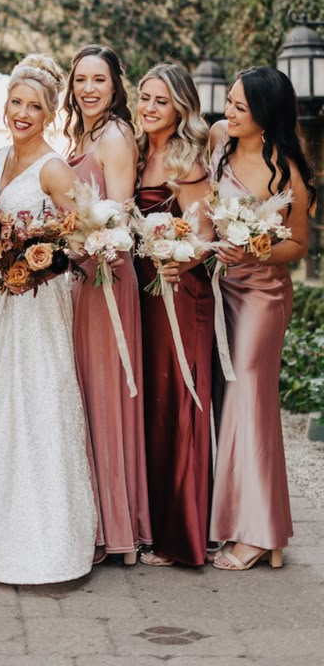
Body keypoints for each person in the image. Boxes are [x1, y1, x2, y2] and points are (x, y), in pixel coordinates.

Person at [0, 54, 97, 584]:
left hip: (40, 301)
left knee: (41, 401)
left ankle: (53, 545)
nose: (22, 112)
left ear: (49, 114)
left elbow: (82, 237)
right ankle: (0, 541)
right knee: (4, 403)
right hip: (3, 300)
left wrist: (34, 256)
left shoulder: (52, 167)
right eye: (16, 102)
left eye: (34, 106)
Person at [209, 67, 314, 571]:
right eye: (228, 103)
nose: (228, 113)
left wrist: (255, 249)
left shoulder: (287, 170)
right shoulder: (218, 146)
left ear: (264, 115)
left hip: (262, 295)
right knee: (227, 397)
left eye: (239, 108)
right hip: (217, 290)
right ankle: (233, 520)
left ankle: (259, 531)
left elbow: (297, 244)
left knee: (251, 393)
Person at [63, 45, 151, 565]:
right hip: (83, 275)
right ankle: (96, 518)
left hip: (106, 276)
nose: (89, 89)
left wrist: (84, 242)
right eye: (81, 80)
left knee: (106, 395)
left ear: (117, 85)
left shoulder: (116, 136)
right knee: (88, 392)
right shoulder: (83, 135)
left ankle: (116, 528)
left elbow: (118, 215)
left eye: (99, 80)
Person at [134, 62, 215, 567]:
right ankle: (154, 522)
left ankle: (181, 533)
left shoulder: (187, 158)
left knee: (178, 400)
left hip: (177, 289)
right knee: (153, 402)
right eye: (144, 96)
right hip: (142, 291)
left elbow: (205, 234)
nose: (148, 107)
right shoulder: (140, 152)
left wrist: (178, 259)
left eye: (161, 101)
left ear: (181, 107)